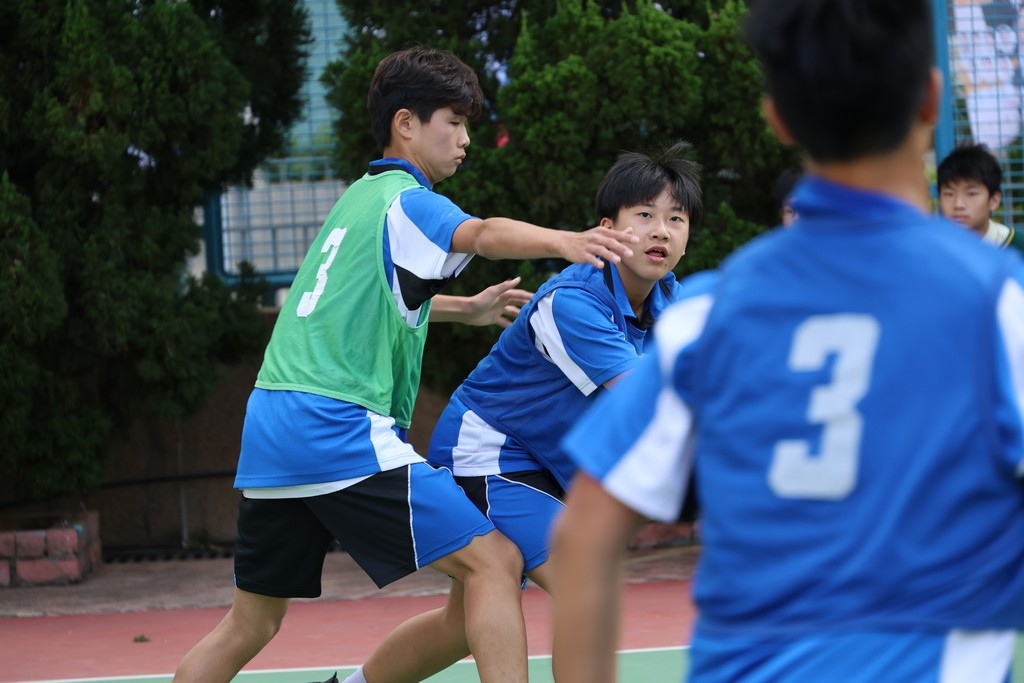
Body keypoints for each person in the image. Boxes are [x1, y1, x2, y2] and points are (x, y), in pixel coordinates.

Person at [550, 1, 1024, 682]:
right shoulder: (997, 300)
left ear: (777, 117)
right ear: (930, 95)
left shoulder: (707, 312)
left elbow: (583, 536)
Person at [172, 46, 638, 683]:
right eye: (455, 122)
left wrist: (462, 309)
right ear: (406, 124)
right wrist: (565, 240)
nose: (466, 140)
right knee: (495, 562)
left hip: (271, 427)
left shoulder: (358, 200)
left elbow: (358, 301)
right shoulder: (408, 200)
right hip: (334, 425)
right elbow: (481, 234)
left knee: (249, 624)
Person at [427, 140, 703, 590]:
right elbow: (648, 399)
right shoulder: (572, 304)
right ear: (606, 230)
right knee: (583, 582)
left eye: (676, 219)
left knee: (466, 617)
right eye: (645, 215)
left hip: (549, 461)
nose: (661, 231)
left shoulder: (671, 299)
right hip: (490, 452)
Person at [937, 141, 1024, 252]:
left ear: (994, 200)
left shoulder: (1017, 247)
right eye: (949, 194)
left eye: (971, 194)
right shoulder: (931, 249)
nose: (958, 205)